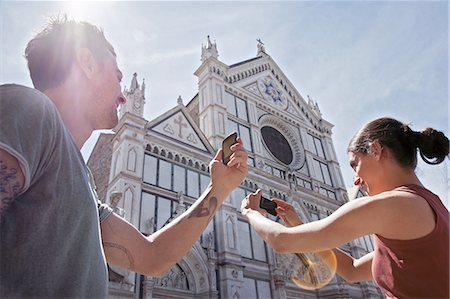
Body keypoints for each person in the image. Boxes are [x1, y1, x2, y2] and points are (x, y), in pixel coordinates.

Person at [0, 17, 248, 298]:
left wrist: (219, 189)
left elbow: (152, 257)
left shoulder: (84, 190)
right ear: (87, 63)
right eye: (118, 77)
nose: (122, 96)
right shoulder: (30, 110)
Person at [241, 117, 449, 298]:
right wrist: (298, 224)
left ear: (376, 150)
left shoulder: (390, 205)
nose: (356, 181)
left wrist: (250, 212)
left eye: (355, 164)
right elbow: (352, 270)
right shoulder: (434, 207)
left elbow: (281, 241)